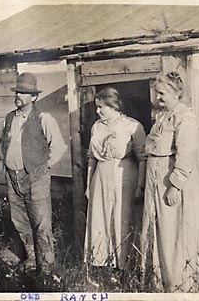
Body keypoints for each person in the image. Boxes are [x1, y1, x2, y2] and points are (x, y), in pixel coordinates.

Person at [141, 72, 199, 292]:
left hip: (172, 183)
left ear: (176, 93)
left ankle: (184, 284)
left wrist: (175, 185)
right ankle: (160, 282)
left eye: (162, 93)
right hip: (156, 180)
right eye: (157, 92)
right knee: (159, 230)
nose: (158, 97)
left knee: (174, 231)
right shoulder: (162, 117)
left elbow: (186, 154)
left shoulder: (185, 117)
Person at [1, 72, 67, 279]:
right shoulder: (10, 117)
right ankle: (30, 258)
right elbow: (7, 144)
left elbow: (59, 146)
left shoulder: (43, 118)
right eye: (18, 91)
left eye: (24, 92)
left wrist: (43, 167)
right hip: (13, 177)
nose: (19, 95)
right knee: (19, 219)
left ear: (34, 97)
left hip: (35, 177)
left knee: (41, 222)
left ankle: (47, 267)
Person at [84, 87, 147, 279]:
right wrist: (88, 185)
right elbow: (91, 158)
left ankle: (124, 266)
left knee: (122, 218)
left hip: (124, 175)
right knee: (99, 218)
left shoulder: (131, 126)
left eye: (101, 107)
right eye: (97, 107)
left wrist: (140, 186)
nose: (98, 111)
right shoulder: (97, 127)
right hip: (100, 176)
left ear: (113, 105)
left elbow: (143, 157)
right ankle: (101, 263)